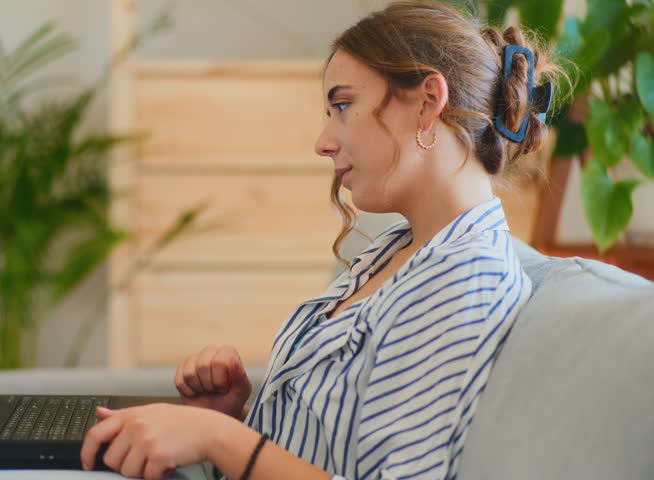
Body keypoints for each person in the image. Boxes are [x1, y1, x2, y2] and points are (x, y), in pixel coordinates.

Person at [81, 1, 567, 479]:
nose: (323, 141)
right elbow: (331, 445)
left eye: (342, 105)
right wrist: (236, 416)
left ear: (426, 102)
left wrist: (219, 439)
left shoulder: (464, 279)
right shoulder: (399, 250)